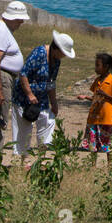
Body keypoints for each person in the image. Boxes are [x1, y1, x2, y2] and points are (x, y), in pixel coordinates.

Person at [13, 29, 75, 157]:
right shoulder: (39, 53)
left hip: (42, 98)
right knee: (25, 129)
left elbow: (51, 82)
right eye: (63, 53)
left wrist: (54, 102)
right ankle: (22, 158)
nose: (63, 56)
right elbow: (23, 74)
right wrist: (29, 94)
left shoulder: (56, 61)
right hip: (24, 97)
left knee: (48, 120)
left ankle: (41, 155)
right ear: (56, 48)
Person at [0, 1, 29, 156]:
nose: (21, 22)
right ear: (11, 17)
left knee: (0, 117)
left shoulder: (1, 28)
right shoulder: (1, 31)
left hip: (5, 76)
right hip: (2, 77)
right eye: (19, 19)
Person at [76, 52, 112, 154]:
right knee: (93, 143)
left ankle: (110, 166)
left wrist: (105, 95)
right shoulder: (97, 80)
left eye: (97, 65)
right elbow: (96, 98)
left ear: (106, 66)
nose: (95, 68)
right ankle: (93, 165)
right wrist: (85, 97)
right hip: (94, 117)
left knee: (107, 144)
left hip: (106, 118)